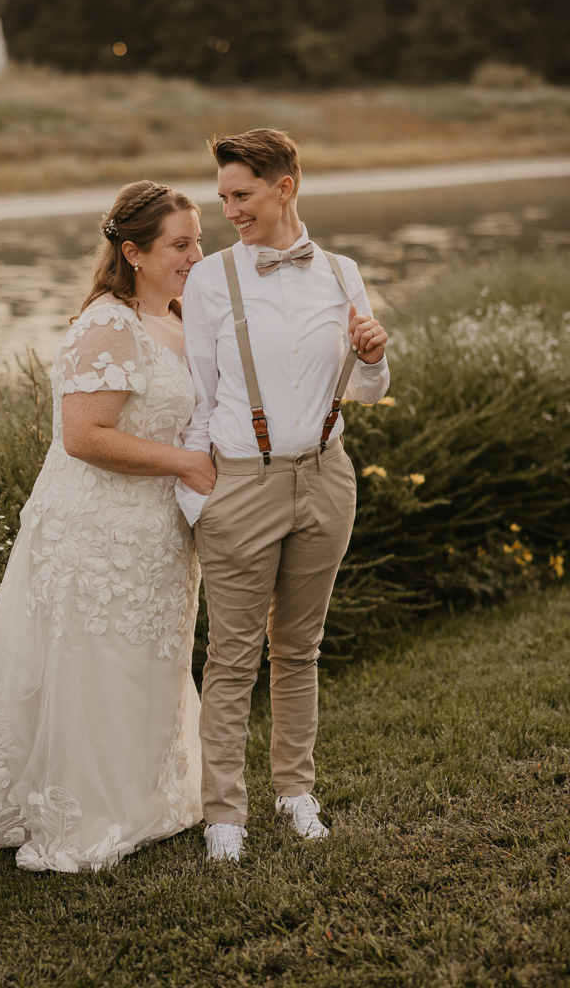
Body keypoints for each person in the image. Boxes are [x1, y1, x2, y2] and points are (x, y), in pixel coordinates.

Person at [0, 181, 215, 873]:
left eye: (196, 240)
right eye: (180, 244)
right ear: (133, 251)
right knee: (97, 666)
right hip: (98, 527)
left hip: (156, 529)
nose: (195, 255)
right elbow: (84, 435)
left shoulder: (179, 316)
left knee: (147, 661)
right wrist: (186, 461)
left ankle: (150, 802)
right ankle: (83, 817)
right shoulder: (108, 324)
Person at [176, 129, 390, 863]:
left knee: (299, 649)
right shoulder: (209, 281)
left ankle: (296, 793)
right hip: (241, 483)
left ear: (284, 188)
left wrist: (374, 354)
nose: (229, 210)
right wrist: (200, 492)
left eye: (241, 195)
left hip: (327, 477)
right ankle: (223, 815)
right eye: (223, 198)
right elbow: (199, 399)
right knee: (231, 659)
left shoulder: (340, 271)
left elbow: (366, 389)